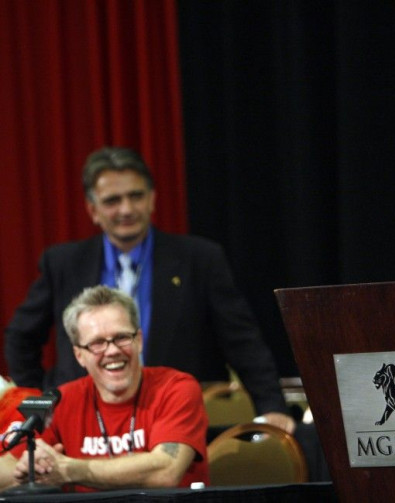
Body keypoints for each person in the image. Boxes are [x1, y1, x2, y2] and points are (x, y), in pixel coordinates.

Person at [4, 146, 294, 434]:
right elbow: (21, 337)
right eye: (113, 200)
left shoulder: (199, 259)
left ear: (152, 199)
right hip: (85, 425)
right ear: (93, 210)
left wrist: (272, 407)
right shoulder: (63, 263)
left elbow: (243, 342)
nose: (127, 209)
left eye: (136, 196)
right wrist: (41, 399)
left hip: (175, 420)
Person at [0, 285, 209, 492]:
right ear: (79, 355)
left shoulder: (178, 387)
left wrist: (69, 469)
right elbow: (8, 465)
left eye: (121, 337)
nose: (112, 351)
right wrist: (30, 467)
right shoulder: (57, 398)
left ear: (139, 341)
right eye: (97, 343)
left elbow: (166, 471)